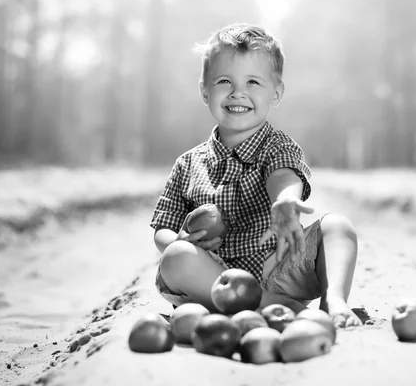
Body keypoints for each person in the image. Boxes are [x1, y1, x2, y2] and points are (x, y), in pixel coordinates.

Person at [150, 23, 362, 327]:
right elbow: (163, 227)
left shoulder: (278, 145)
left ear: (276, 93)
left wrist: (285, 201)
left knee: (338, 227)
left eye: (253, 82)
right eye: (224, 81)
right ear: (204, 91)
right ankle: (276, 308)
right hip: (213, 280)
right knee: (174, 257)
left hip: (278, 271)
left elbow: (284, 175)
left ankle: (335, 301)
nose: (238, 92)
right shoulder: (187, 164)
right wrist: (178, 240)